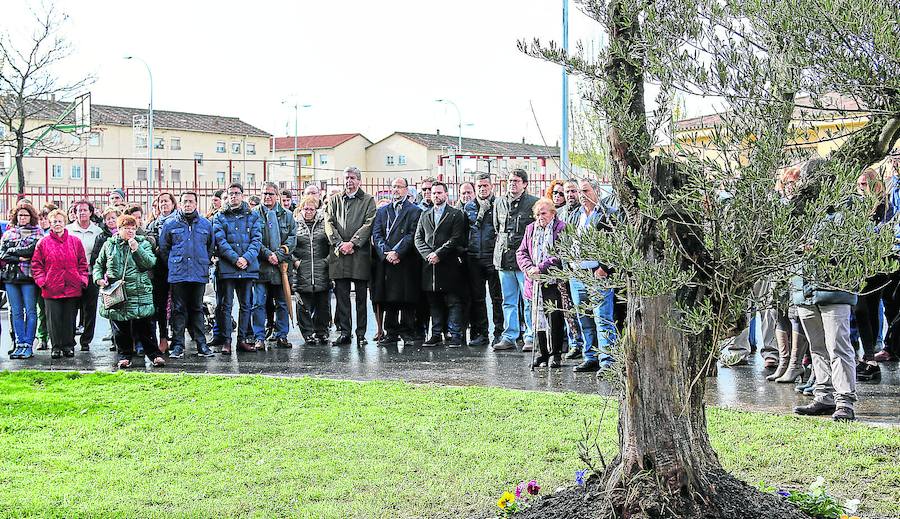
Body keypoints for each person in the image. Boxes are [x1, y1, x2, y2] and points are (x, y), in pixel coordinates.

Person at [791, 159, 859, 422]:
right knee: (817, 347)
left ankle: (845, 400)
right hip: (804, 288)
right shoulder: (800, 208)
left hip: (834, 288)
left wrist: (818, 248)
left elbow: (852, 243)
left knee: (838, 346)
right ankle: (824, 396)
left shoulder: (846, 206)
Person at [93, 214, 165, 369]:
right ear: (119, 229)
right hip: (117, 292)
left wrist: (136, 249)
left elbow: (149, 263)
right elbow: (99, 265)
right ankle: (124, 356)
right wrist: (99, 278)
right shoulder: (109, 245)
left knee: (145, 327)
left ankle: (154, 355)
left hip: (139, 292)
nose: (131, 231)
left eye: (133, 228)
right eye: (127, 228)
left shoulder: (143, 243)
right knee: (120, 327)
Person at [568, 179, 619, 372]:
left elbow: (615, 244)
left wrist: (604, 268)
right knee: (584, 318)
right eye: (579, 191)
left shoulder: (608, 214)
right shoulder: (575, 215)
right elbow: (567, 241)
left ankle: (608, 361)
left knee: (602, 318)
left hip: (598, 274)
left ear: (596, 191)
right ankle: (590, 357)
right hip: (577, 275)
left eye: (585, 191)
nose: (581, 195)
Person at [324, 166, 376, 346]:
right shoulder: (334, 200)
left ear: (359, 180)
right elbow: (328, 223)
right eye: (346, 178)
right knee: (342, 297)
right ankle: (345, 332)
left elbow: (369, 224)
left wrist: (353, 243)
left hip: (359, 254)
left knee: (361, 297)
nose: (349, 181)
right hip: (339, 255)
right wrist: (339, 244)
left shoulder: (368, 200)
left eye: (352, 177)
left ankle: (361, 333)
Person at [517, 198, 572, 368]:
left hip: (553, 281)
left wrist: (540, 268)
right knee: (537, 318)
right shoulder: (530, 229)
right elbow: (521, 251)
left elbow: (560, 254)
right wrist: (528, 267)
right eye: (537, 214)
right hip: (534, 281)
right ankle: (542, 353)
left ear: (552, 213)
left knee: (554, 317)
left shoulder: (561, 228)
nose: (540, 217)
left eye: (544, 213)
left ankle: (555, 354)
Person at [160, 191, 216, 359]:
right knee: (178, 310)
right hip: (178, 274)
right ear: (180, 203)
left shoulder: (206, 225)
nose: (188, 204)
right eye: (185, 201)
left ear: (196, 203)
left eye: (191, 201)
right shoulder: (170, 224)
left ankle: (202, 345)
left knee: (197, 309)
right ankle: (177, 346)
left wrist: (202, 261)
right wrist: (173, 264)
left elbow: (210, 247)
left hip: (198, 273)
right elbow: (164, 248)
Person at [415, 181, 468, 347]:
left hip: (448, 263)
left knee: (453, 301)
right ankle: (436, 334)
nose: (436, 196)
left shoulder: (456, 214)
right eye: (433, 193)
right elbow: (418, 238)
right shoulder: (425, 214)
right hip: (429, 266)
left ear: (446, 194)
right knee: (434, 302)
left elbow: (456, 238)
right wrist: (428, 255)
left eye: (439, 193)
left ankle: (454, 334)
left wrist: (439, 254)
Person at [31, 209, 89, 359]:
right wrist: (42, 281)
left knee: (69, 319)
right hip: (51, 288)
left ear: (65, 222)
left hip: (72, 286)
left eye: (60, 221)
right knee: (53, 319)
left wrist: (82, 279)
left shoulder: (75, 242)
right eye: (54, 221)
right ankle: (56, 347)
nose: (57, 224)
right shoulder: (43, 242)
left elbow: (83, 263)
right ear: (50, 224)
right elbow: (36, 265)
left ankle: (68, 346)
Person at [372, 178, 423, 345]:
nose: (396, 190)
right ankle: (391, 331)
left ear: (407, 190)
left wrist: (397, 252)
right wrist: (386, 252)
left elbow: (412, 234)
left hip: (405, 260)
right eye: (393, 187)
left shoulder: (415, 211)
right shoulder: (382, 211)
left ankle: (407, 331)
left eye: (399, 187)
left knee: (407, 297)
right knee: (389, 298)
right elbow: (377, 234)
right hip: (387, 261)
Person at [212, 182, 262, 354]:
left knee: (246, 304)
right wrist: (235, 259)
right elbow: (220, 241)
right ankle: (227, 340)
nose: (233, 196)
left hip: (247, 267)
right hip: (228, 267)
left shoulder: (253, 215)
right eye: (230, 193)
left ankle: (242, 339)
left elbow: (256, 240)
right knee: (226, 305)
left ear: (242, 195)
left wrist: (246, 258)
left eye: (236, 193)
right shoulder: (219, 216)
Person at [492, 169, 539, 351]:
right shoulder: (500, 202)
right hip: (503, 258)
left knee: (528, 300)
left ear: (525, 184)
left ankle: (530, 335)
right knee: (508, 300)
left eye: (517, 181)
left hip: (524, 260)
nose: (513, 183)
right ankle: (510, 335)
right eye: (510, 180)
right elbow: (498, 228)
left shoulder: (532, 203)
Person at [251, 182, 297, 350]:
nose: (267, 196)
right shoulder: (254, 214)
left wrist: (278, 255)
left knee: (282, 303)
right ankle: (259, 337)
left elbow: (292, 238)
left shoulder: (288, 215)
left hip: (281, 267)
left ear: (277, 195)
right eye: (264, 193)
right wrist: (267, 254)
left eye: (271, 193)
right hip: (261, 266)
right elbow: (253, 238)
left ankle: (282, 335)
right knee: (259, 303)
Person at [465, 173, 504, 347]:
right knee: (477, 298)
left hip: (493, 257)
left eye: (485, 186)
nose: (482, 189)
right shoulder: (468, 207)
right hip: (474, 258)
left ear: (491, 186)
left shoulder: (499, 204)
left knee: (497, 298)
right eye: (479, 186)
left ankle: (499, 332)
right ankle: (481, 333)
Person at [1, 203, 42, 359]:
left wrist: (14, 253)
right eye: (20, 215)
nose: (22, 218)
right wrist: (19, 256)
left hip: (29, 277)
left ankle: (28, 344)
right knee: (16, 311)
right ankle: (19, 343)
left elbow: (32, 252)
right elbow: (3, 254)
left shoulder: (38, 233)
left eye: (25, 215)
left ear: (31, 216)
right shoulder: (8, 233)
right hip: (11, 277)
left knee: (31, 311)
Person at [293, 195, 332, 344]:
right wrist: (296, 262)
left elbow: (332, 244)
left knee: (323, 304)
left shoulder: (324, 224)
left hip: (322, 270)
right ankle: (307, 333)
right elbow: (288, 247)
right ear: (301, 209)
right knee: (303, 305)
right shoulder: (295, 225)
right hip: (302, 271)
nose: (309, 211)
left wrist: (327, 261)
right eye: (306, 208)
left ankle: (321, 331)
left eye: (312, 209)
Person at [66, 200, 102, 352]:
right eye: (78, 210)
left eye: (85, 210)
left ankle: (86, 340)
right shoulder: (68, 230)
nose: (82, 213)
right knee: (71, 308)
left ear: (91, 212)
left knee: (90, 308)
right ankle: (70, 340)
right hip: (72, 275)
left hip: (90, 273)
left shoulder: (97, 231)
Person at [146, 192, 178, 352]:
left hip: (176, 269)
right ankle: (162, 337)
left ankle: (178, 340)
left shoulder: (180, 221)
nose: (163, 204)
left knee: (177, 306)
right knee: (159, 305)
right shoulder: (152, 225)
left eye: (166, 201)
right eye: (160, 202)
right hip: (158, 270)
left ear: (173, 204)